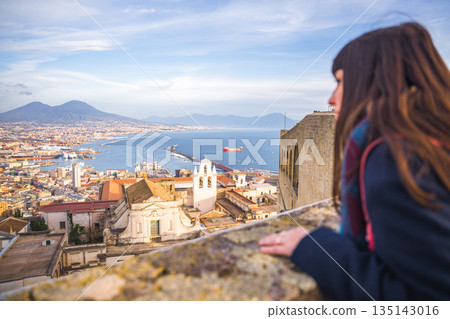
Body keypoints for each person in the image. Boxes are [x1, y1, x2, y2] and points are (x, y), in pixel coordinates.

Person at [259, 22, 450, 300]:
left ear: (375, 80)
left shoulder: (394, 158)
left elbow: (420, 300)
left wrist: (315, 246)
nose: (331, 98)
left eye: (340, 81)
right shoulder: (432, 142)